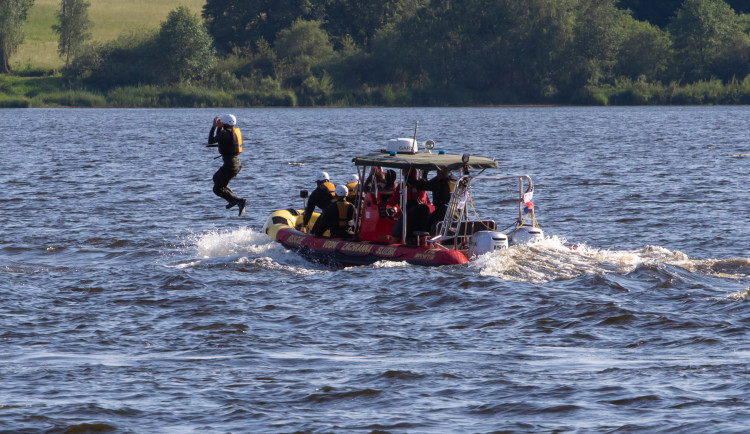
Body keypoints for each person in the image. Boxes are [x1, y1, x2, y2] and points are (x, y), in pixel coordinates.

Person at [207, 114, 247, 216]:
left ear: (224, 123)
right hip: (235, 165)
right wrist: (219, 128)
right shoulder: (232, 132)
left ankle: (239, 201)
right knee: (216, 178)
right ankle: (232, 200)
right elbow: (220, 139)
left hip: (230, 167)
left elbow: (211, 141)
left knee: (217, 189)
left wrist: (214, 126)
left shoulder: (225, 133)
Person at [386, 168, 430, 243]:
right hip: (421, 219)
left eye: (404, 171)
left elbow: (391, 202)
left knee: (397, 230)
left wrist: (387, 201)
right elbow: (424, 201)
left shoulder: (402, 186)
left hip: (408, 216)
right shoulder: (421, 187)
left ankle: (394, 244)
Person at [411, 168, 453, 233]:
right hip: (454, 215)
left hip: (440, 215)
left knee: (426, 224)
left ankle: (423, 237)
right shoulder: (456, 181)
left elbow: (422, 186)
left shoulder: (438, 183)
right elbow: (425, 185)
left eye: (438, 172)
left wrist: (408, 176)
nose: (437, 174)